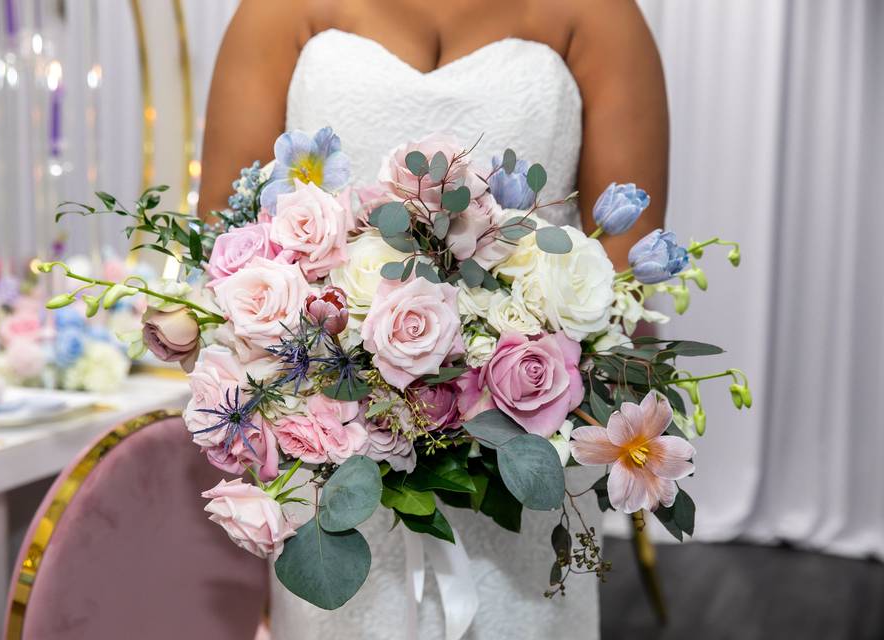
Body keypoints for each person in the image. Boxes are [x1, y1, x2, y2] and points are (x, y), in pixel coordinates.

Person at [199, 1, 669, 637]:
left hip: (526, 433)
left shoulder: (598, 11)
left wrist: (497, 380)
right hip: (329, 446)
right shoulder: (276, 10)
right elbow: (228, 251)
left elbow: (624, 279)